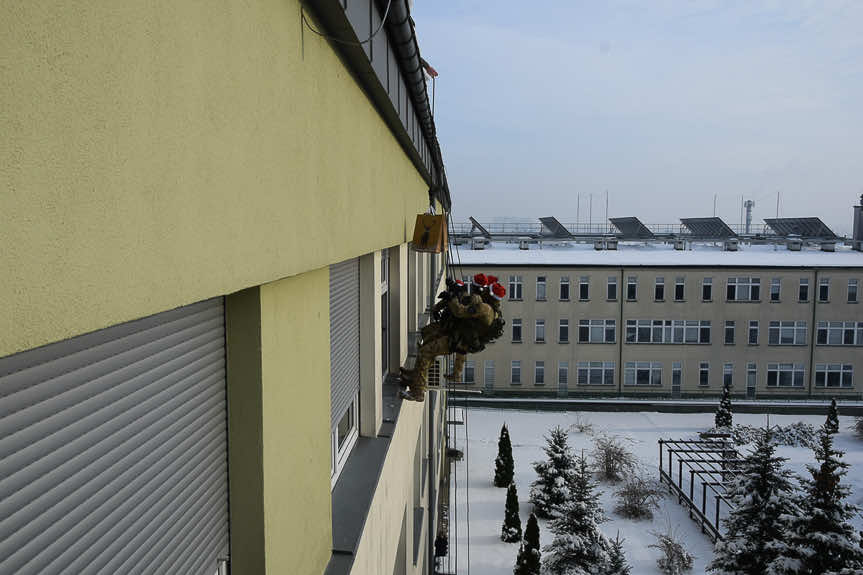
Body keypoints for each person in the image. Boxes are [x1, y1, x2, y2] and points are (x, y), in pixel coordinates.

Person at [400, 274, 505, 401]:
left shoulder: (485, 308)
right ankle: (416, 376)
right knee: (427, 343)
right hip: (458, 336)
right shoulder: (493, 311)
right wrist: (457, 290)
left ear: (490, 294)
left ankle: (418, 391)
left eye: (488, 289)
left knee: (426, 352)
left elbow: (459, 312)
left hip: (458, 340)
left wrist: (452, 298)